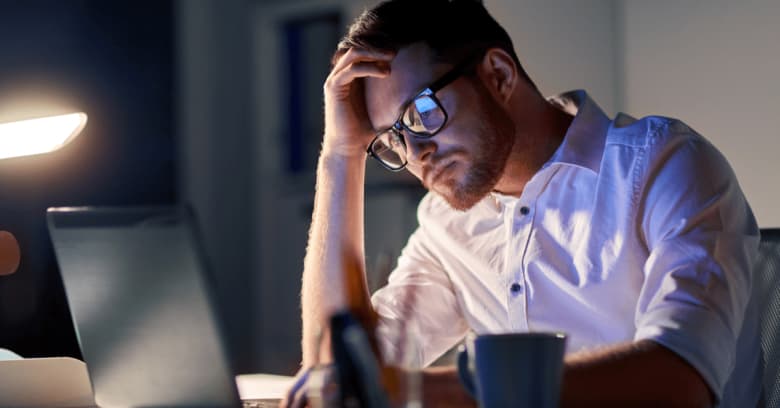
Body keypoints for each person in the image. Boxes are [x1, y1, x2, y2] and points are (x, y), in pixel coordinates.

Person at [284, 0, 762, 406]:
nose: (417, 154)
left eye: (422, 112)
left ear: (498, 74)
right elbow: (337, 372)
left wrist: (421, 391)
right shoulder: (445, 224)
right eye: (394, 139)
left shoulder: (665, 165)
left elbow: (681, 380)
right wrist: (341, 153)